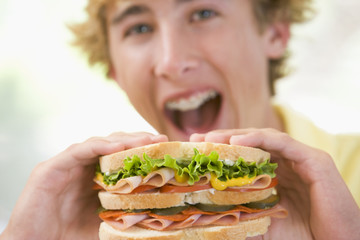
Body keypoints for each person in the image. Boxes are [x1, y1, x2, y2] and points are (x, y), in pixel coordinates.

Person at [1, 0, 360, 239]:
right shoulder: (78, 220)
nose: (171, 62)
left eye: (203, 13)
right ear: (114, 69)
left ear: (275, 34)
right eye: (139, 29)